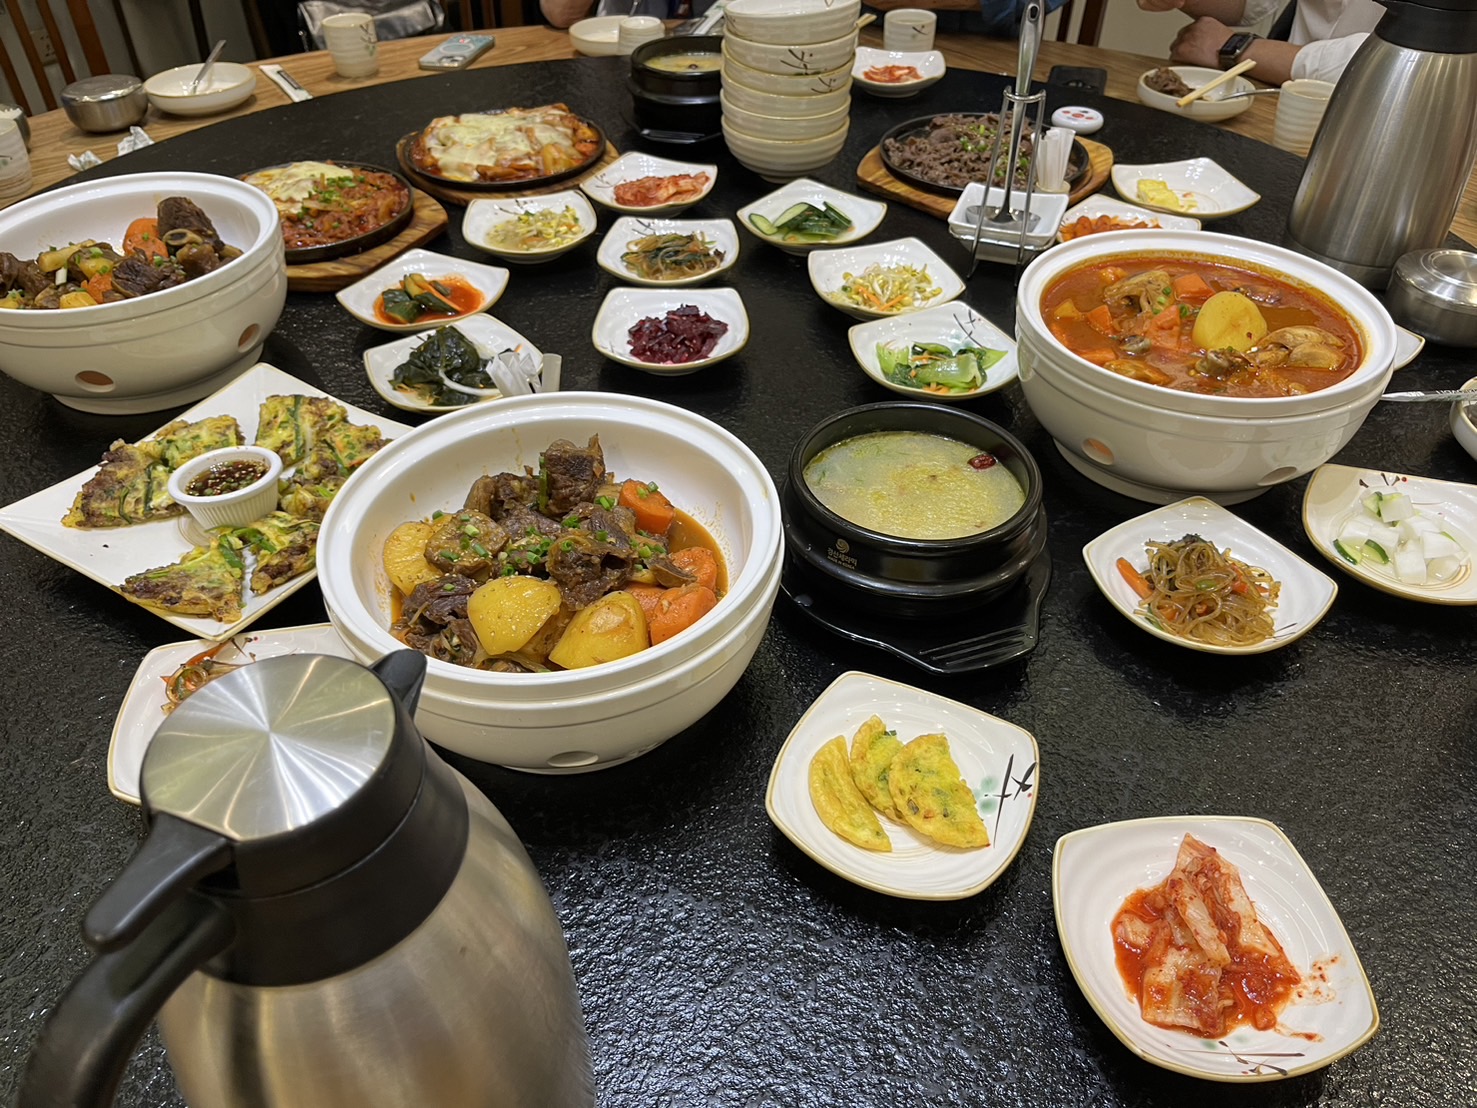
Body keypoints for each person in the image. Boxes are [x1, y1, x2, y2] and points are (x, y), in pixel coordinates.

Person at [1138, 0, 1386, 83]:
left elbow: (1400, 60)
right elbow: (1255, 4)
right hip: (1278, 98)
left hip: (1379, 129)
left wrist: (1237, 47)